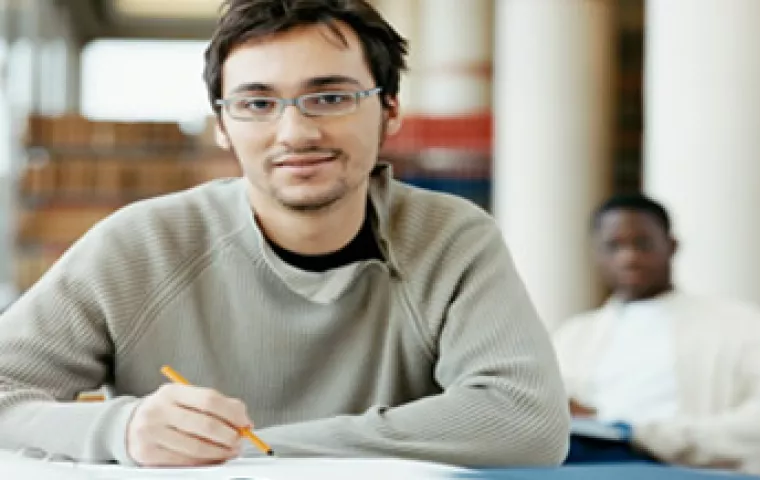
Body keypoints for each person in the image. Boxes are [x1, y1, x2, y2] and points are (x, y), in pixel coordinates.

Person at [0, 0, 569, 468]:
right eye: (257, 103)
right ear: (222, 126)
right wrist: (118, 430)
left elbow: (524, 420)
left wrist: (254, 452)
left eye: (330, 97)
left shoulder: (450, 237)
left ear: (389, 111)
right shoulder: (140, 243)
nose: (295, 131)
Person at [553, 193, 760, 472]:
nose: (629, 257)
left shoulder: (736, 322)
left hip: (688, 471)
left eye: (642, 243)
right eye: (613, 246)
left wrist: (659, 437)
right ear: (596, 253)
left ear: (671, 246)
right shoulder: (574, 336)